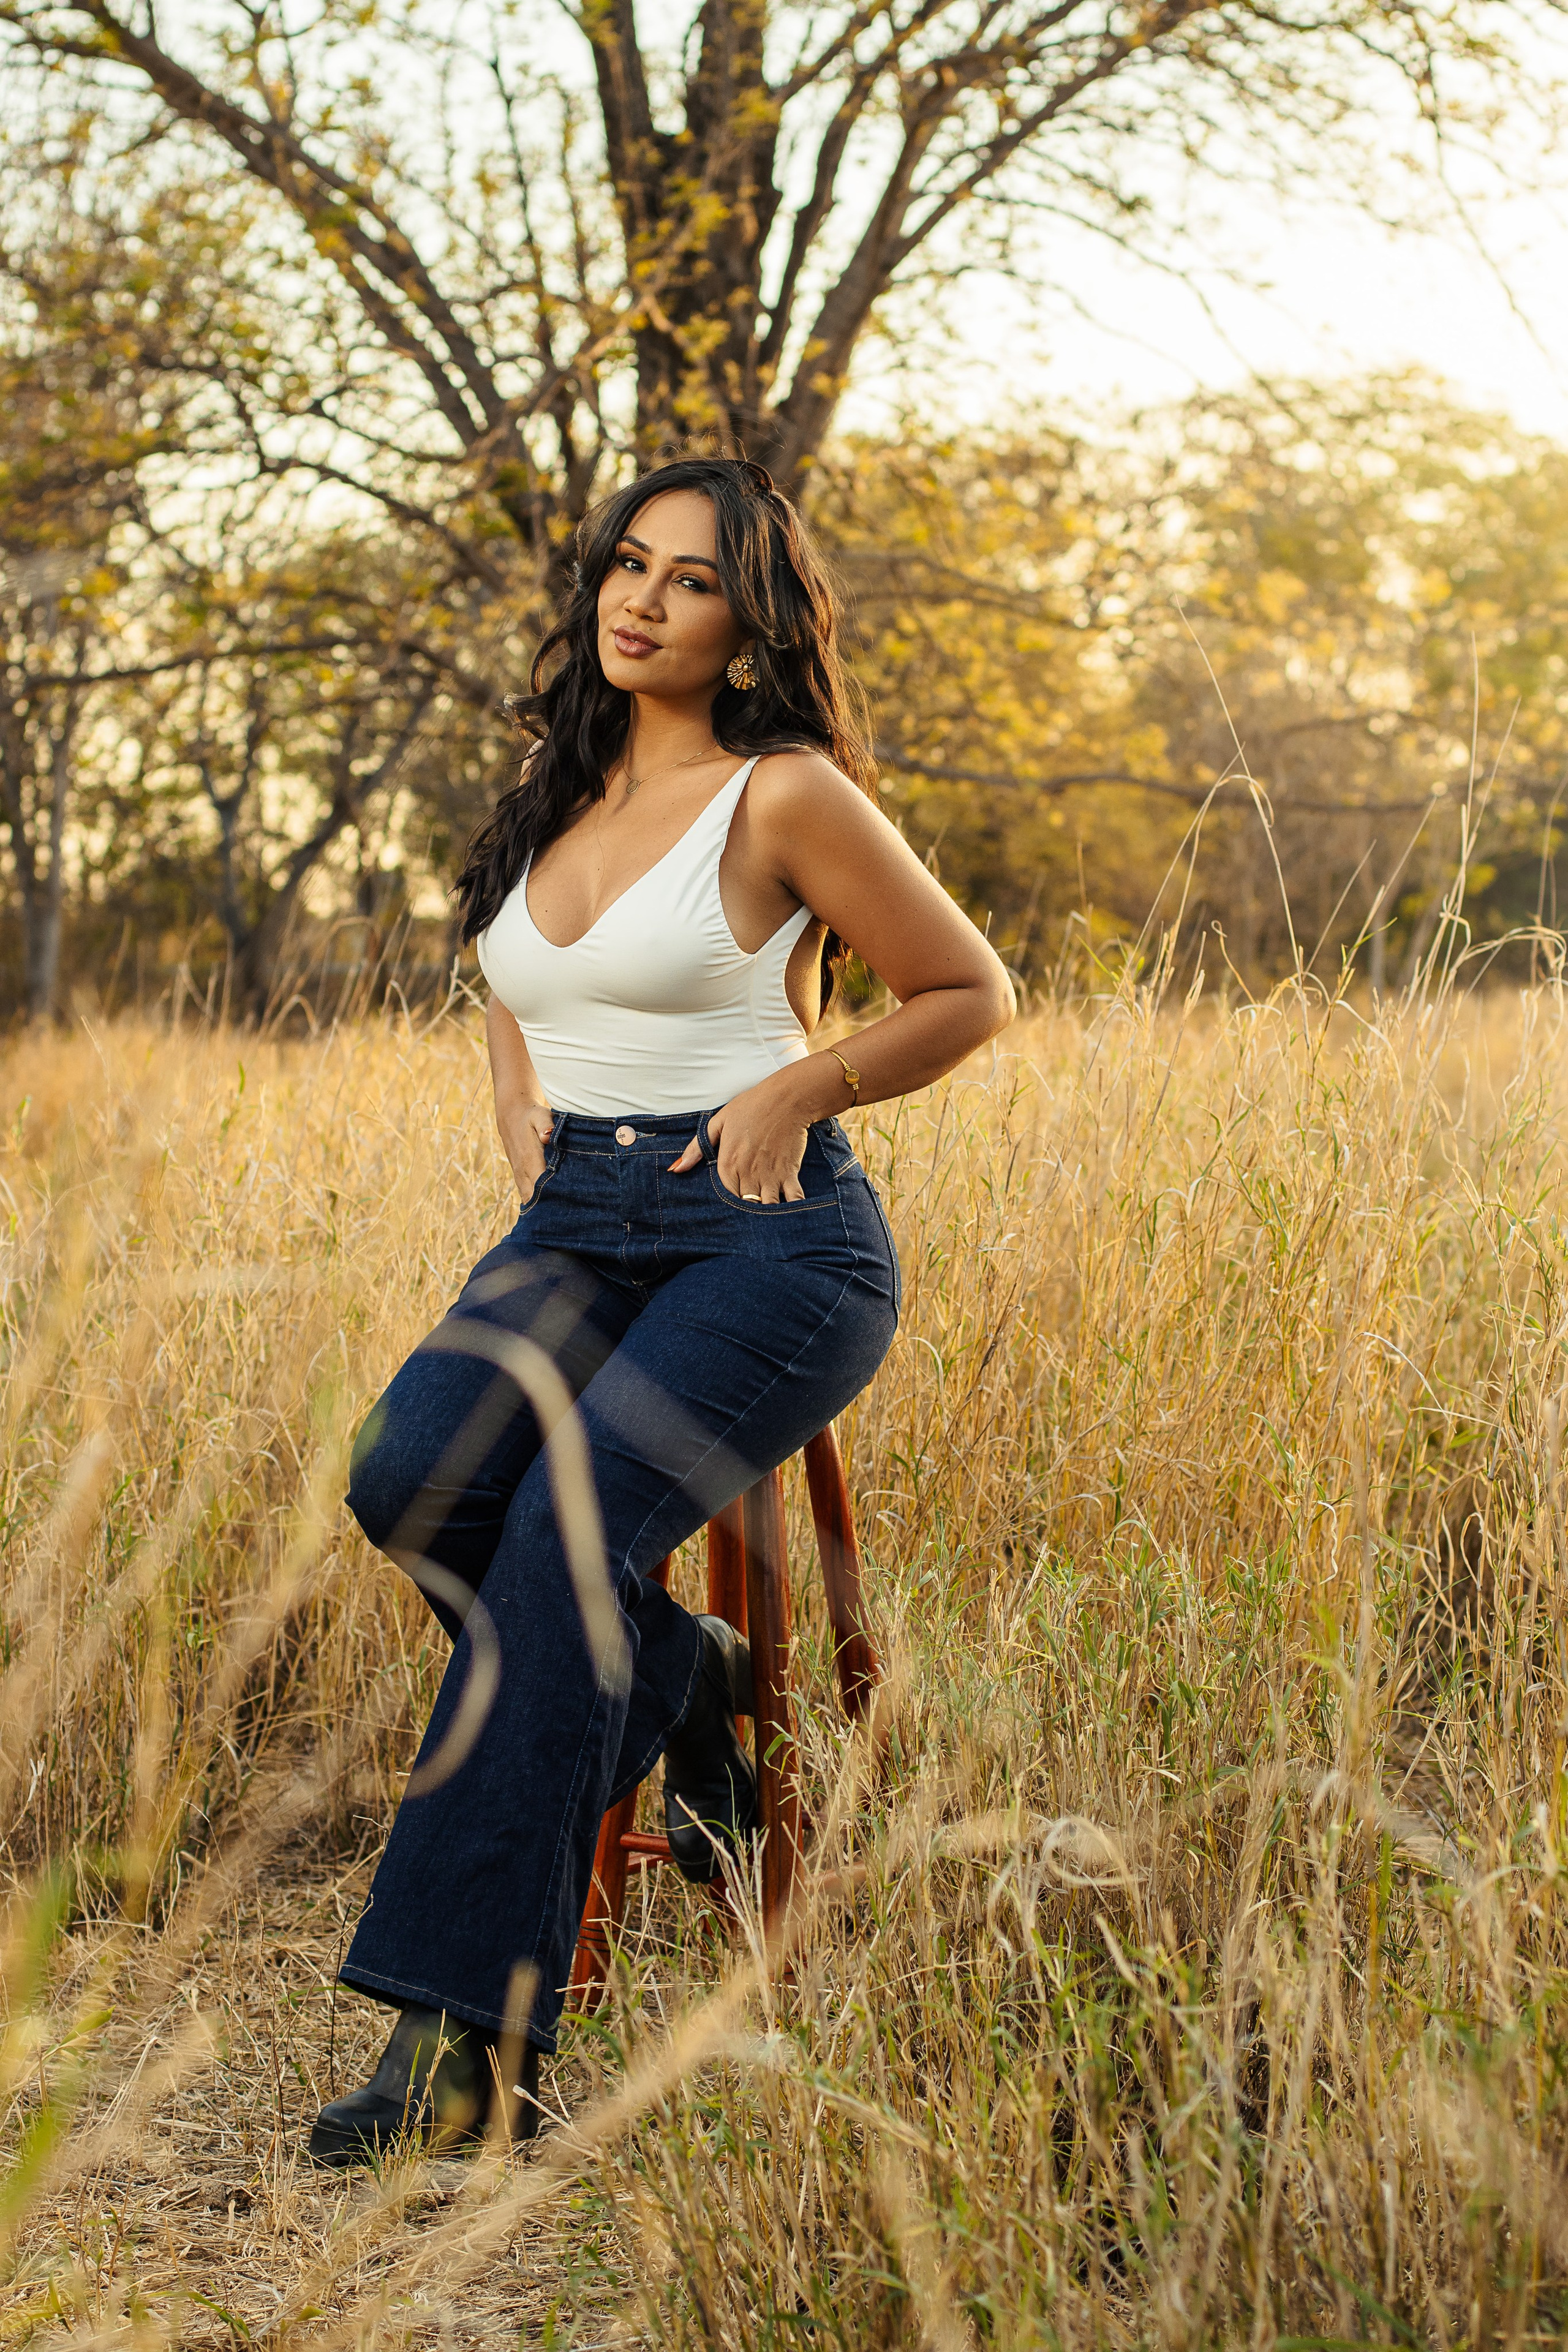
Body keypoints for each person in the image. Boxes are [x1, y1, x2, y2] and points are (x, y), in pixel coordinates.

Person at [308, 456, 1014, 2165]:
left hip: (769, 1240)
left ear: (747, 622)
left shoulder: (782, 796)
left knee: (558, 1547)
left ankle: (460, 2044)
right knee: (407, 1476)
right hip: (576, 1220)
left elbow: (967, 990)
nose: (645, 599)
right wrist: (513, 1088)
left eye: (691, 580)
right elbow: (519, 972)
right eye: (631, 565)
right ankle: (679, 1674)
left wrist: (802, 1088)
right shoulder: (557, 786)